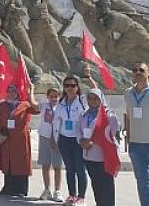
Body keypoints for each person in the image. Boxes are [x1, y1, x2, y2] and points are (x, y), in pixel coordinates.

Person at [0, 84, 37, 197]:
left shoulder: (24, 105)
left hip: (20, 140)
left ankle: (20, 189)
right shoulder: (2, 105)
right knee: (8, 162)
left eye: (14, 91)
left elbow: (37, 110)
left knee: (20, 164)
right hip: (6, 138)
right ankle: (8, 187)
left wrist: (30, 93)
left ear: (18, 93)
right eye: (8, 91)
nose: (10, 93)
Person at [54, 76, 88, 205]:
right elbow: (56, 121)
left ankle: (81, 197)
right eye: (67, 85)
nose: (69, 88)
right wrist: (54, 137)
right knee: (69, 168)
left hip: (78, 139)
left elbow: (98, 94)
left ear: (77, 87)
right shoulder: (61, 102)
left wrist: (89, 78)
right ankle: (72, 195)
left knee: (80, 168)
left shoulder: (82, 101)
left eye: (72, 86)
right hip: (64, 139)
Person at [80, 88, 118, 206]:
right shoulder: (84, 114)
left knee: (106, 187)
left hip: (103, 156)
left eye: (96, 98)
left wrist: (94, 142)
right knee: (96, 186)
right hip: (89, 156)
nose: (93, 101)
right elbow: (78, 130)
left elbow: (110, 134)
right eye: (90, 98)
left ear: (101, 99)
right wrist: (81, 140)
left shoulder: (109, 115)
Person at [126, 62, 149, 206]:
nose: (138, 72)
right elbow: (129, 116)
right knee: (142, 181)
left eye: (141, 70)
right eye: (134, 70)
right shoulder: (127, 93)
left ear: (148, 73)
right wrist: (129, 139)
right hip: (136, 145)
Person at [38, 87, 65, 202]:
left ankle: (57, 191)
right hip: (44, 137)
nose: (54, 98)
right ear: (47, 96)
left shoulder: (62, 107)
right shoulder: (44, 105)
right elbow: (33, 104)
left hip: (57, 138)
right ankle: (46, 190)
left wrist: (55, 138)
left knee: (57, 166)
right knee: (45, 165)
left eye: (56, 96)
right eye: (51, 96)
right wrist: (31, 90)